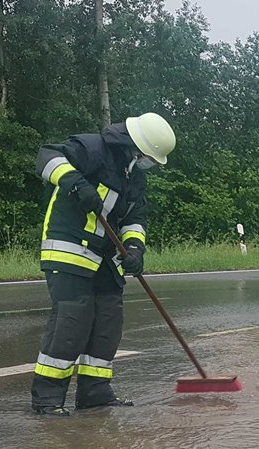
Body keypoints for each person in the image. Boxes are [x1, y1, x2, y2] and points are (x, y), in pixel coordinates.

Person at [29, 112, 176, 416]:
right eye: (149, 156)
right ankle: (47, 399)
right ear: (135, 146)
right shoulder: (94, 148)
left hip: (107, 257)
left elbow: (135, 219)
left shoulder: (135, 176)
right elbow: (47, 157)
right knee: (73, 321)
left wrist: (135, 249)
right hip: (69, 247)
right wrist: (75, 183)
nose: (149, 162)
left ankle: (95, 393)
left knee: (108, 321)